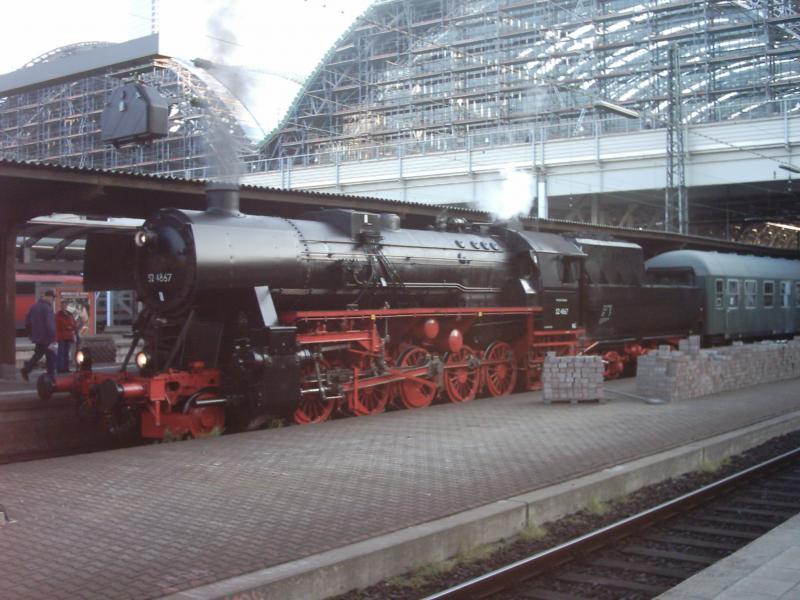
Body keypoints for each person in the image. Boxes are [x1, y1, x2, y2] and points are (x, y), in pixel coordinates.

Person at [20, 290, 57, 384]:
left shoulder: (34, 307)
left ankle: (26, 369)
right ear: (49, 297)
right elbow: (50, 325)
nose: (53, 300)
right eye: (53, 298)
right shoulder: (47, 308)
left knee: (38, 355)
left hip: (38, 337)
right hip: (47, 338)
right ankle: (51, 377)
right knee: (51, 357)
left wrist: (31, 333)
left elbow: (27, 321)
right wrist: (53, 336)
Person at [55, 303, 77, 373]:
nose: (64, 307)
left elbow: (74, 323)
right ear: (61, 306)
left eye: (65, 305)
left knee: (66, 353)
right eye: (63, 305)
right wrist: (67, 327)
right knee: (61, 353)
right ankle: (60, 368)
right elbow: (58, 325)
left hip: (68, 336)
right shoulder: (58, 315)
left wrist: (72, 327)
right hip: (61, 336)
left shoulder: (70, 314)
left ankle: (66, 368)